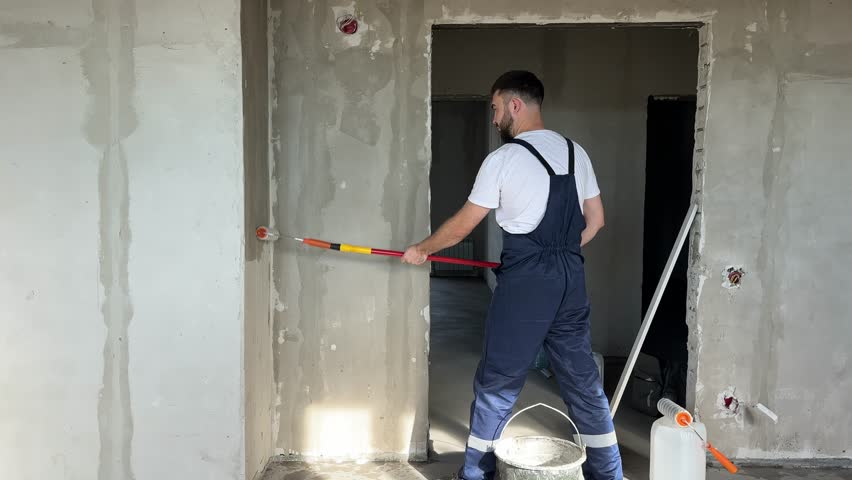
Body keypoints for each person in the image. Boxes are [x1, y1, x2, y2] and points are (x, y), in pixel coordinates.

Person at [402, 70, 622, 480]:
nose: (494, 118)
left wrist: (423, 250)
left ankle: (476, 474)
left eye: (496, 108)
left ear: (514, 105)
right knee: (582, 381)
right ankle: (607, 474)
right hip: (570, 279)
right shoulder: (577, 153)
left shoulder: (503, 159)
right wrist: (562, 255)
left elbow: (465, 224)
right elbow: (597, 220)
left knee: (498, 382)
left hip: (527, 285)